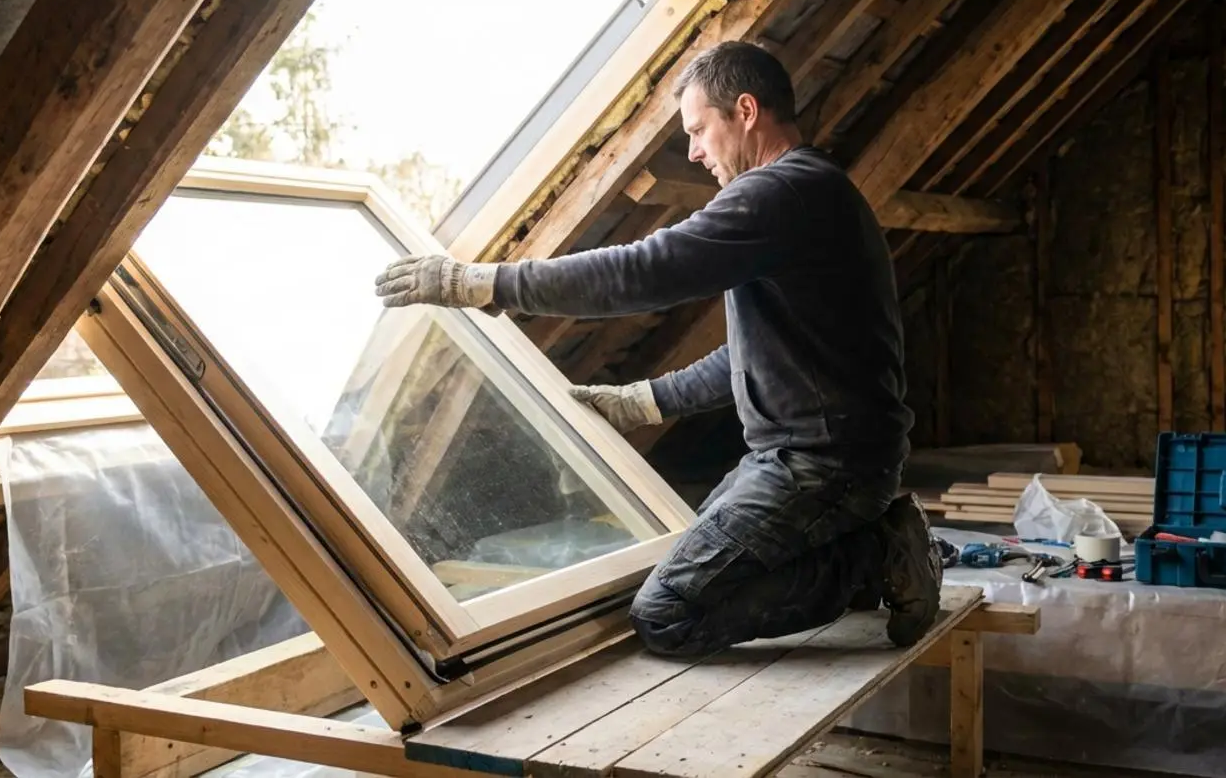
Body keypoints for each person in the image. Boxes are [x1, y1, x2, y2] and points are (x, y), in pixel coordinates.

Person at [373, 40, 943, 657]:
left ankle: (875, 555)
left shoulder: (784, 194)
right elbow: (751, 361)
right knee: (705, 567)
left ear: (745, 111)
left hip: (824, 467)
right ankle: (870, 551)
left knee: (667, 613)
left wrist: (483, 283)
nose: (695, 152)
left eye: (699, 130)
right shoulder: (810, 196)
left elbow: (644, 271)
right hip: (810, 459)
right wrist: (637, 403)